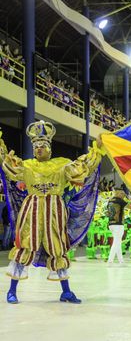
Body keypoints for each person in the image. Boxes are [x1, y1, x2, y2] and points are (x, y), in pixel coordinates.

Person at [0, 121, 104, 304]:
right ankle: (12, 291)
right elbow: (8, 165)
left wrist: (97, 150)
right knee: (25, 245)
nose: (39, 149)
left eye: (43, 146)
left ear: (49, 148)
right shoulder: (27, 165)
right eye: (36, 146)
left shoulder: (62, 165)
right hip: (31, 208)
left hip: (55, 209)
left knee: (57, 247)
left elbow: (83, 167)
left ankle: (66, 292)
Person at [107, 188, 129, 264]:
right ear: (118, 193)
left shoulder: (110, 201)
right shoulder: (120, 201)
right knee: (116, 242)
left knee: (118, 242)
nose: (124, 196)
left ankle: (121, 260)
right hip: (118, 224)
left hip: (111, 224)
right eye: (122, 194)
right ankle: (110, 260)